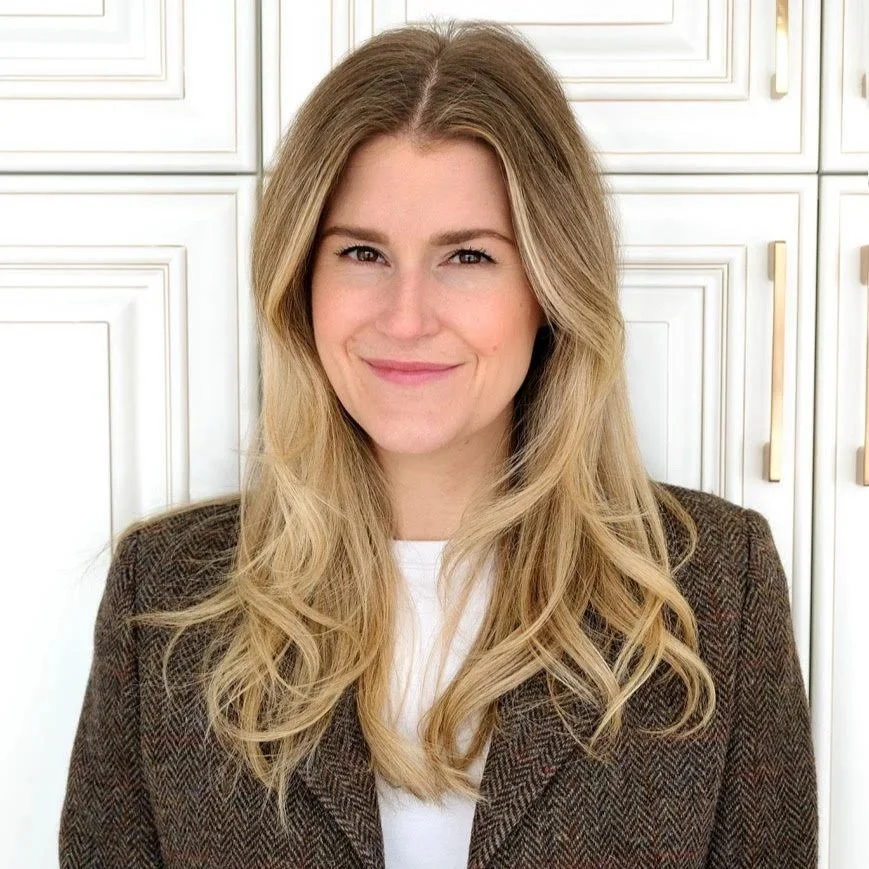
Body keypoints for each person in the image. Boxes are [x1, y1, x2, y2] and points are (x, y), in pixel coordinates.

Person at [59, 18, 817, 869]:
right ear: (300, 286)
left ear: (549, 287)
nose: (407, 316)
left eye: (466, 255)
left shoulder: (712, 587)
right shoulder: (163, 598)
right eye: (360, 252)